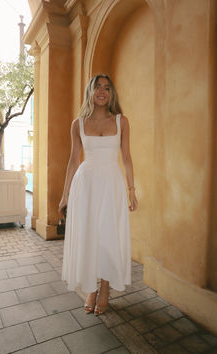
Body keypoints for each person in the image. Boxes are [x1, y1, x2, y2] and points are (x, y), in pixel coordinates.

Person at [58, 74, 138, 315]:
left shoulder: (121, 121)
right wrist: (65, 195)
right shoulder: (78, 123)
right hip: (86, 184)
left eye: (106, 88)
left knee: (108, 235)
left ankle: (105, 287)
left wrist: (131, 190)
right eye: (97, 88)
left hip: (111, 183)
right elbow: (73, 160)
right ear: (90, 92)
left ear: (111, 93)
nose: (102, 92)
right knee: (90, 235)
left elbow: (126, 157)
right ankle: (91, 288)